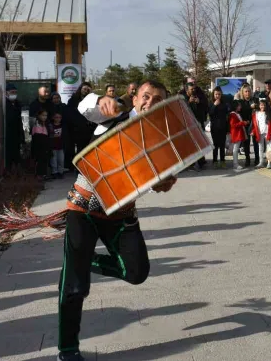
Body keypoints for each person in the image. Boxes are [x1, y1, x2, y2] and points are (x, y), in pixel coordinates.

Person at [57, 80, 177, 361]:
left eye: (158, 99)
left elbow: (153, 180)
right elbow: (85, 108)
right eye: (146, 96)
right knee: (74, 286)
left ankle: (82, 261)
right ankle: (68, 350)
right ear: (135, 98)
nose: (150, 102)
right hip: (83, 208)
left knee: (137, 272)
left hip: (121, 214)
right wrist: (101, 102)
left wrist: (162, 183)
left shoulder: (162, 138)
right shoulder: (117, 114)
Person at [180, 80, 208, 170]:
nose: (193, 90)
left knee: (200, 142)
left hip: (199, 122)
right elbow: (180, 110)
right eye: (191, 89)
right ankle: (190, 164)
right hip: (187, 124)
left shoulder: (199, 95)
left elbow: (206, 105)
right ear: (187, 90)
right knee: (190, 144)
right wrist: (188, 102)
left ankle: (201, 161)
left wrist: (199, 101)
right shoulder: (182, 97)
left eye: (194, 89)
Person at [67, 82, 96, 157]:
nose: (86, 91)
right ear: (80, 89)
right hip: (77, 130)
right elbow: (70, 114)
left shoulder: (93, 100)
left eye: (88, 89)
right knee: (80, 151)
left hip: (89, 129)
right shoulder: (73, 100)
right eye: (84, 89)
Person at [4, 83, 26, 171]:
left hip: (16, 134)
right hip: (7, 134)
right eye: (12, 92)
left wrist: (22, 137)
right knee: (8, 157)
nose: (14, 94)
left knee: (17, 156)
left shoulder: (18, 104)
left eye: (15, 92)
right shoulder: (4, 104)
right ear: (6, 93)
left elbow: (19, 121)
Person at [208, 87, 230, 169]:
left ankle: (222, 161)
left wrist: (228, 129)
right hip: (214, 127)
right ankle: (214, 161)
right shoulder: (211, 103)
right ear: (213, 95)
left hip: (223, 127)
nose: (217, 96)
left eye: (219, 94)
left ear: (221, 95)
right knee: (215, 145)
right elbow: (210, 113)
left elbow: (227, 117)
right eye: (216, 94)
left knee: (222, 145)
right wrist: (214, 105)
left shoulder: (224, 103)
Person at [251, 99, 271, 169]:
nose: (263, 106)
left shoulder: (269, 113)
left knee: (269, 148)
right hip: (260, 133)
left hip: (267, 133)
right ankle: (261, 162)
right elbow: (255, 124)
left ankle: (269, 163)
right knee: (260, 148)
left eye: (264, 105)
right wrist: (253, 131)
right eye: (261, 105)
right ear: (259, 106)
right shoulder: (256, 113)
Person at [237, 84, 258, 167]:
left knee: (256, 142)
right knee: (246, 143)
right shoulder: (241, 102)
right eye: (246, 91)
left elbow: (261, 108)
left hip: (255, 125)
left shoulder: (255, 100)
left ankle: (257, 159)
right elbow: (241, 112)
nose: (247, 93)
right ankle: (247, 159)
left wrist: (256, 106)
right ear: (243, 92)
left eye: (249, 91)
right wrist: (250, 107)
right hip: (246, 124)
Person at [31, 110, 51, 181]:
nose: (44, 117)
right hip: (39, 145)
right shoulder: (37, 124)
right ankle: (39, 175)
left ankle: (43, 174)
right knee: (39, 160)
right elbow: (37, 137)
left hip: (45, 145)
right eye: (43, 115)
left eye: (46, 115)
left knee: (44, 160)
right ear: (39, 115)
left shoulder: (46, 124)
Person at [229, 100, 247, 171]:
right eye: (239, 105)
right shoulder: (233, 114)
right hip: (236, 134)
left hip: (238, 133)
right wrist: (242, 123)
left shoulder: (236, 114)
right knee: (235, 149)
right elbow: (233, 125)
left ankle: (235, 163)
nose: (240, 107)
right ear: (235, 106)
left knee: (236, 149)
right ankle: (235, 164)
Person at [49, 111, 65, 179]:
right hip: (53, 146)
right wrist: (53, 135)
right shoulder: (50, 125)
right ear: (53, 118)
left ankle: (60, 172)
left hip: (61, 146)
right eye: (56, 117)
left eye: (59, 117)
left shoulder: (63, 126)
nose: (58, 119)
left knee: (61, 160)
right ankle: (54, 172)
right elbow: (49, 135)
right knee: (53, 160)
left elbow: (65, 136)